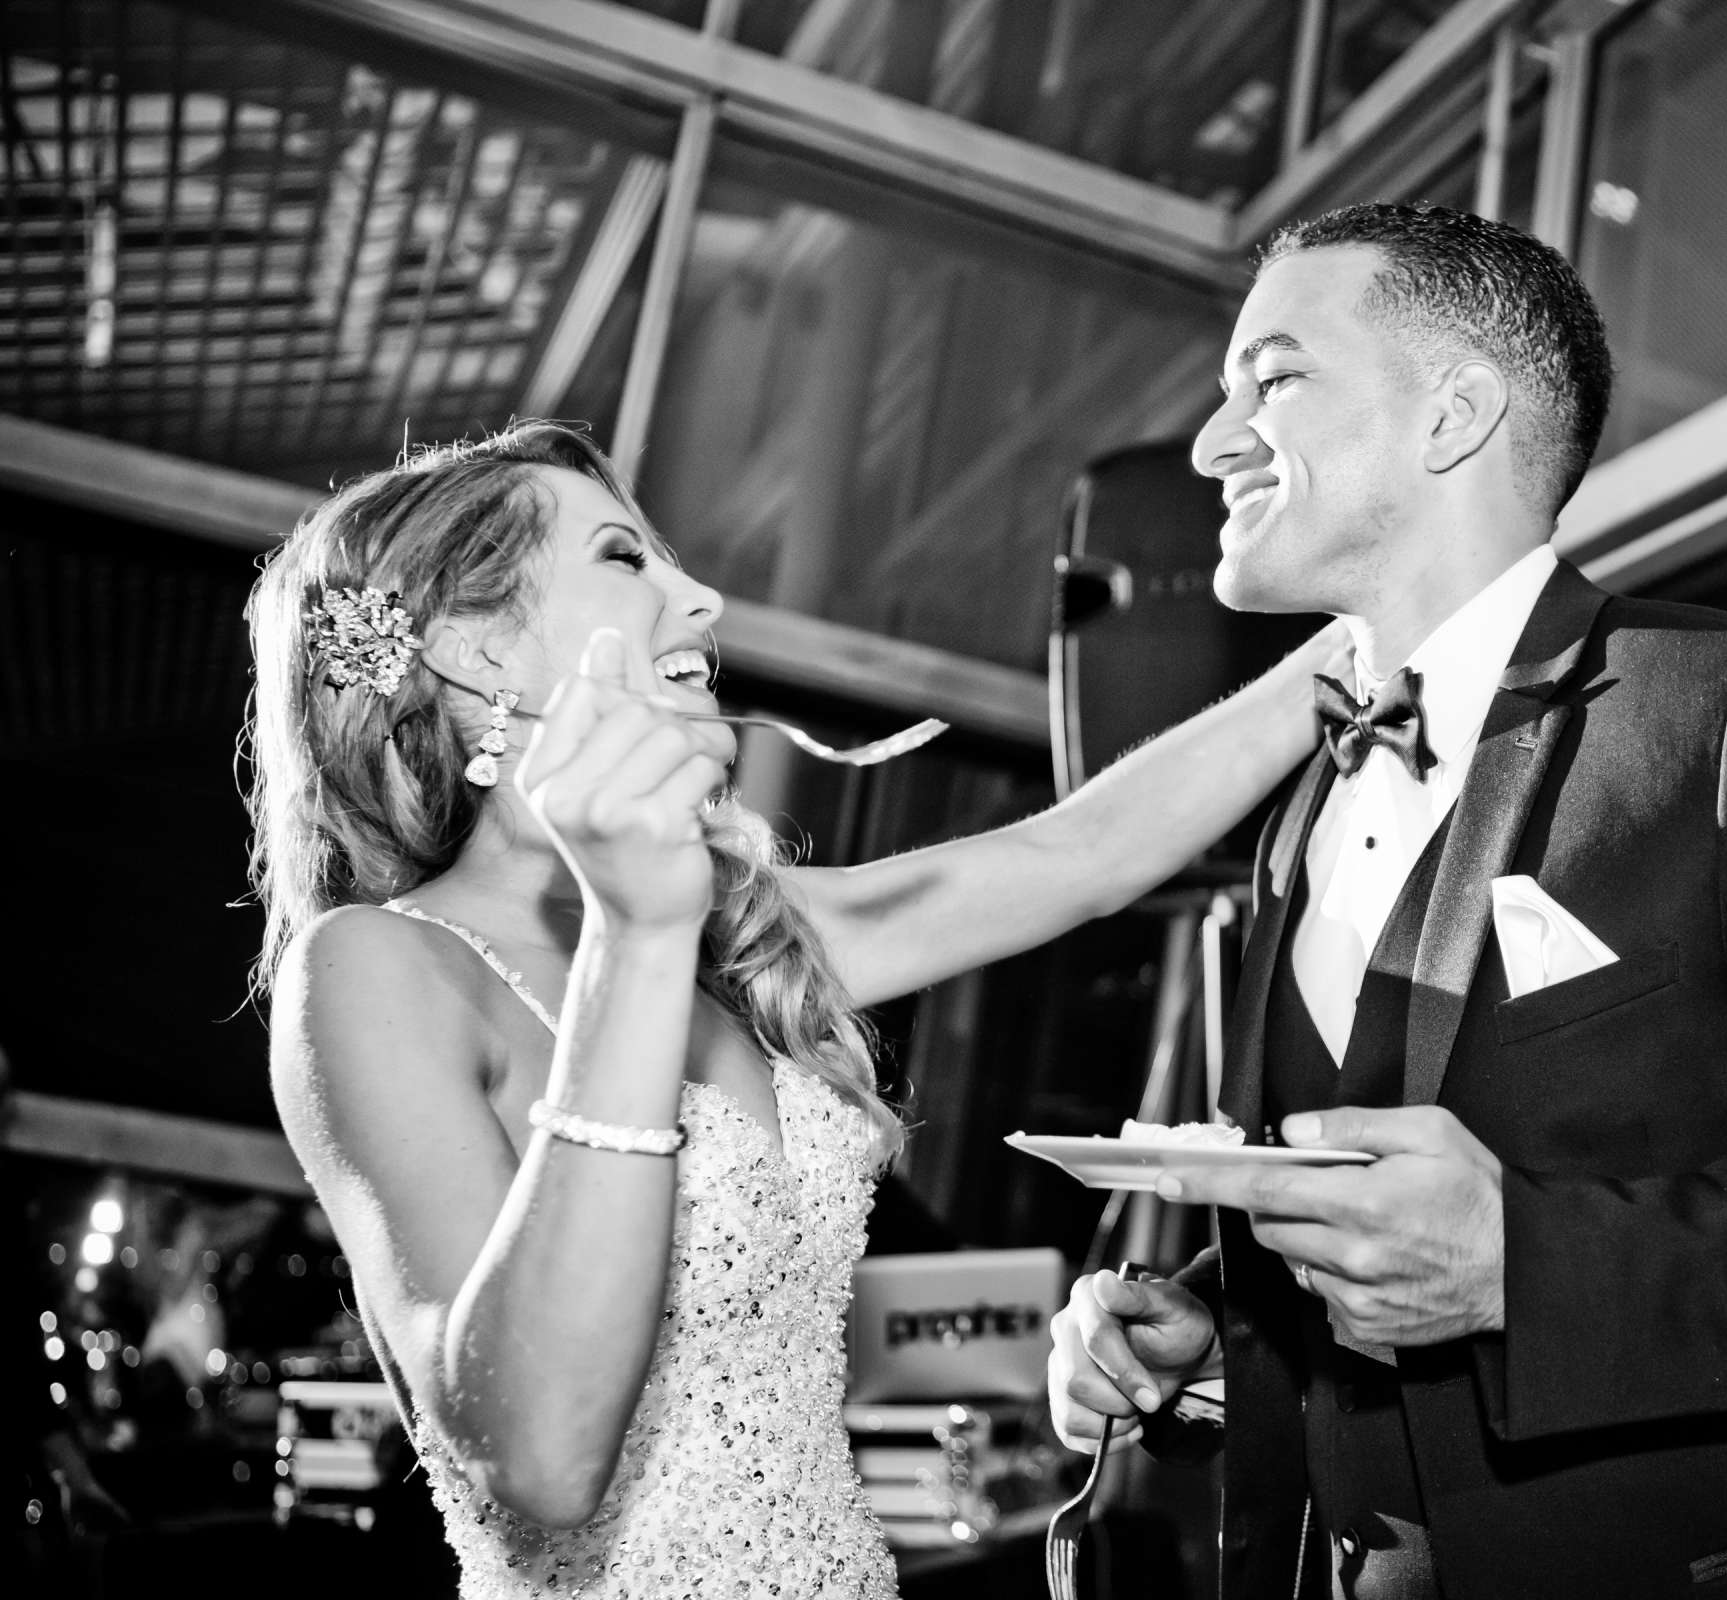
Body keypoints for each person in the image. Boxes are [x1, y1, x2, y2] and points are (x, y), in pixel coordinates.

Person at [1045, 202, 1727, 1598]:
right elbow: (1429, 1178)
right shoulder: (1302, 807)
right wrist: (1219, 1329)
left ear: (1454, 417)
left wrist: (1523, 1270)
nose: (1211, 442)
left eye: (1276, 378)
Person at [245, 421, 1340, 1599]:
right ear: (475, 646)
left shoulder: (741, 933)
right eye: (626, 558)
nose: (703, 598)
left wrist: (1367, 647)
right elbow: (544, 1462)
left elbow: (1083, 854)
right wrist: (636, 933)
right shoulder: (373, 969)